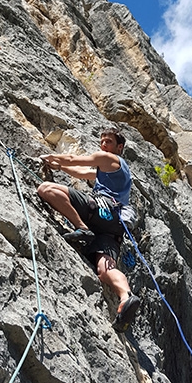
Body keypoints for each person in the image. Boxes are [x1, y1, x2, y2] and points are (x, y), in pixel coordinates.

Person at [37, 127, 140, 331]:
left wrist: (50, 156)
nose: (103, 145)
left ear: (120, 147)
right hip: (113, 229)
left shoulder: (111, 160)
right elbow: (82, 172)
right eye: (102, 141)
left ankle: (82, 228)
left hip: (101, 210)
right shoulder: (113, 170)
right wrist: (60, 167)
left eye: (108, 141)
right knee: (105, 268)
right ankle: (126, 297)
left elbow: (76, 160)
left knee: (45, 189)